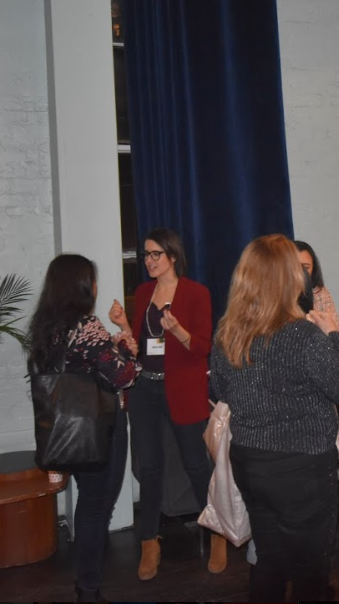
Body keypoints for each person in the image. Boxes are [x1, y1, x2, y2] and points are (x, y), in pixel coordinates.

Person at [210, 234, 339, 602]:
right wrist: (334, 334)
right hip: (302, 471)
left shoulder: (228, 333)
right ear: (290, 279)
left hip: (250, 462)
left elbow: (221, 390)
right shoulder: (304, 336)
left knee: (270, 560)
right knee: (311, 573)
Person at [27, 254, 139, 602]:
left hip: (67, 430)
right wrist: (128, 350)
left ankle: (85, 581)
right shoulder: (87, 326)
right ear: (81, 286)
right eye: (92, 280)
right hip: (98, 429)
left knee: (89, 502)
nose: (96, 286)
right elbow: (123, 376)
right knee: (97, 507)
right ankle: (88, 588)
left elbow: (79, 366)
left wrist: (113, 348)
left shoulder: (46, 327)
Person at [107, 228, 218, 579]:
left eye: (156, 254)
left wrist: (178, 331)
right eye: (146, 255)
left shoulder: (196, 293)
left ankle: (217, 531)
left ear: (172, 256)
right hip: (145, 390)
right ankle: (148, 543)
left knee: (196, 464)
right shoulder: (143, 292)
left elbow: (203, 347)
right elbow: (141, 345)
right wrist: (124, 327)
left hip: (182, 389)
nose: (149, 261)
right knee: (150, 467)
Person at [295, 240, 339, 325]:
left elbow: (334, 329)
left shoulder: (320, 293)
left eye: (306, 268)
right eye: (295, 267)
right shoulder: (276, 296)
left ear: (313, 269)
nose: (301, 272)